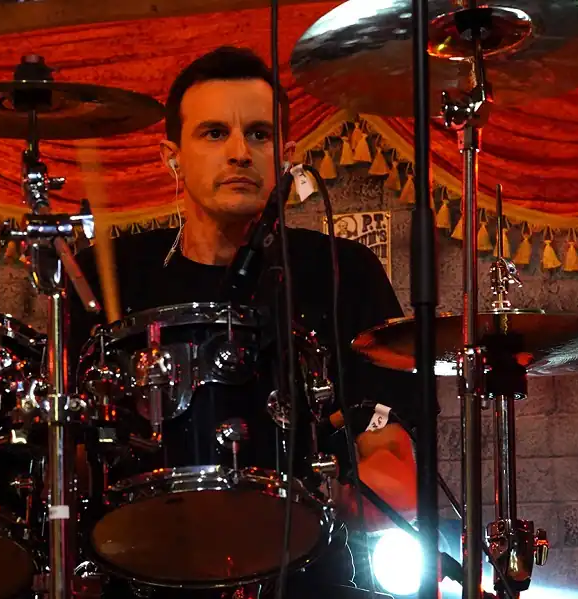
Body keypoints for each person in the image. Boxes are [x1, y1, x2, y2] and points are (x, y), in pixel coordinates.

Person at [68, 46, 422, 597]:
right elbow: (68, 463)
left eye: (259, 134)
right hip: (141, 571)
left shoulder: (343, 270)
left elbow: (394, 469)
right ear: (171, 158)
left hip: (304, 574)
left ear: (286, 156)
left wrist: (309, 504)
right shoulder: (108, 277)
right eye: (214, 133)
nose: (239, 152)